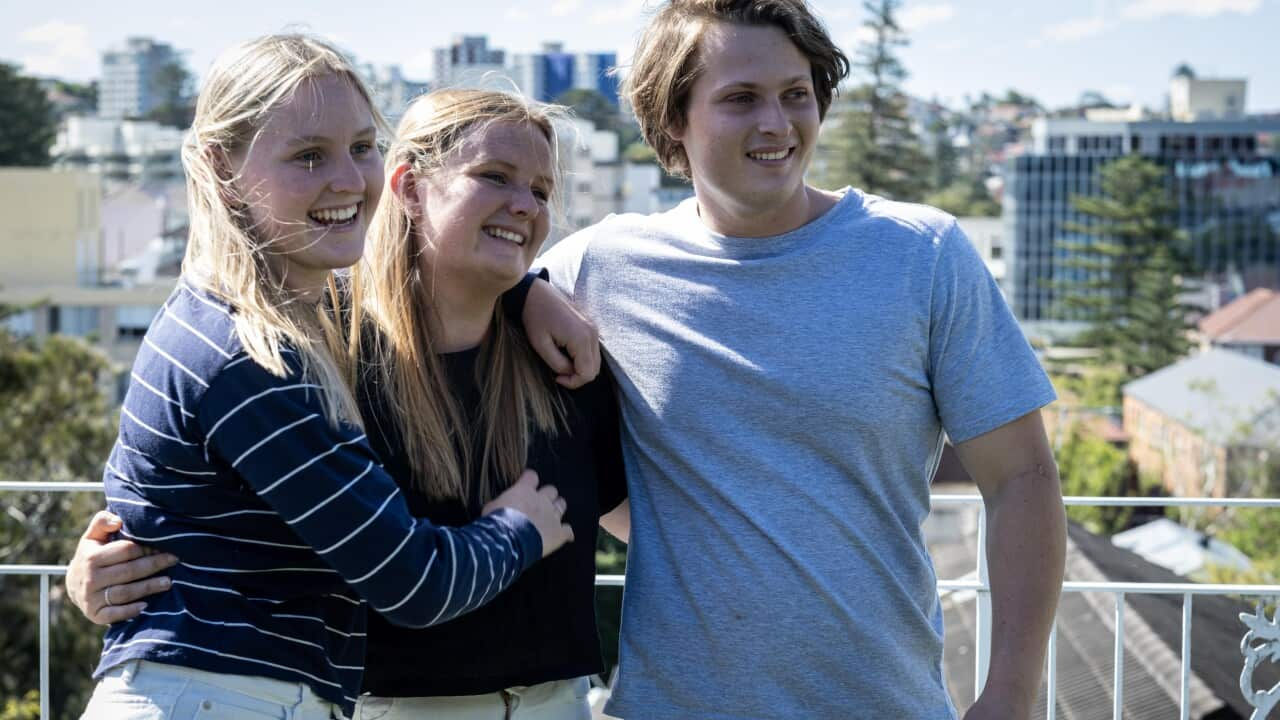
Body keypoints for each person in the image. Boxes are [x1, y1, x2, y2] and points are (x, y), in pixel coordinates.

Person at [522, 0, 1068, 718]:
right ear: (673, 121)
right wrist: (519, 297)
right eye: (741, 99)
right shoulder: (599, 268)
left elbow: (1022, 478)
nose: (776, 124)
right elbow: (444, 309)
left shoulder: (921, 256)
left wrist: (1012, 693)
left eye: (795, 95)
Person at [70, 88, 628, 720]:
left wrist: (528, 290)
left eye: (541, 191)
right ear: (410, 190)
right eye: (493, 177)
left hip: (558, 705)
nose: (524, 205)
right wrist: (98, 568)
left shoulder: (565, 356)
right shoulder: (323, 349)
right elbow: (194, 496)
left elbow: (648, 521)